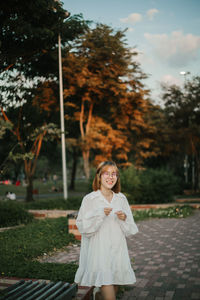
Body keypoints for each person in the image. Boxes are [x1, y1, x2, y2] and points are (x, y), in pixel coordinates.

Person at [74, 161, 139, 300]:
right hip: (99, 251)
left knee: (114, 283)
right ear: (99, 176)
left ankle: (98, 295)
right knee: (109, 291)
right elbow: (83, 227)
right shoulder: (90, 199)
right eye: (107, 173)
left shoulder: (121, 198)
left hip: (117, 249)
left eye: (114, 174)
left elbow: (130, 228)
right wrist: (99, 214)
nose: (111, 177)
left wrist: (124, 217)